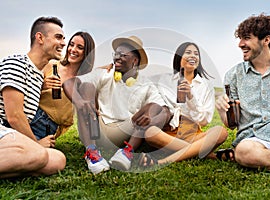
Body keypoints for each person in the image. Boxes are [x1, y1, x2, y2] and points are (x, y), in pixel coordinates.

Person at [63, 35, 169, 173]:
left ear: (135, 61)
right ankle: (92, 153)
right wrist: (79, 101)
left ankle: (127, 153)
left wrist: (151, 117)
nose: (117, 58)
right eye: (116, 54)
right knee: (86, 87)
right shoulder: (105, 73)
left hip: (125, 132)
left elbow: (165, 110)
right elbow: (69, 83)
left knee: (153, 107)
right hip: (96, 129)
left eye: (123, 55)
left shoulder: (146, 84)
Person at [215, 13, 270, 170]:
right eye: (240, 38)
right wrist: (222, 111)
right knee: (243, 152)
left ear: (266, 40)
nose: (240, 44)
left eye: (246, 38)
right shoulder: (233, 75)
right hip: (256, 141)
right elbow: (232, 124)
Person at [138, 42, 228, 166]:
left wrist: (191, 97)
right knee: (150, 133)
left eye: (196, 54)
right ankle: (203, 153)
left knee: (221, 132)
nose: (193, 56)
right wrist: (113, 68)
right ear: (179, 57)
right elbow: (139, 80)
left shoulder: (205, 86)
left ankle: (162, 161)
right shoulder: (164, 80)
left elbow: (204, 121)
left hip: (192, 134)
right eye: (188, 52)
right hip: (167, 135)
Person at [0, 16, 66, 178]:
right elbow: (14, 116)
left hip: (10, 133)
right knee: (40, 154)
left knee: (58, 160)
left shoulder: (38, 75)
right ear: (40, 38)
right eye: (58, 37)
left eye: (64, 38)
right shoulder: (16, 63)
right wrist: (36, 144)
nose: (64, 43)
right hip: (4, 127)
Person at [30, 31, 95, 143]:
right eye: (71, 44)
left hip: (49, 127)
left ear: (87, 53)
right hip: (33, 116)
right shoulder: (52, 65)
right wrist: (43, 85)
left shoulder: (83, 82)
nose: (73, 49)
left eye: (79, 47)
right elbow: (27, 91)